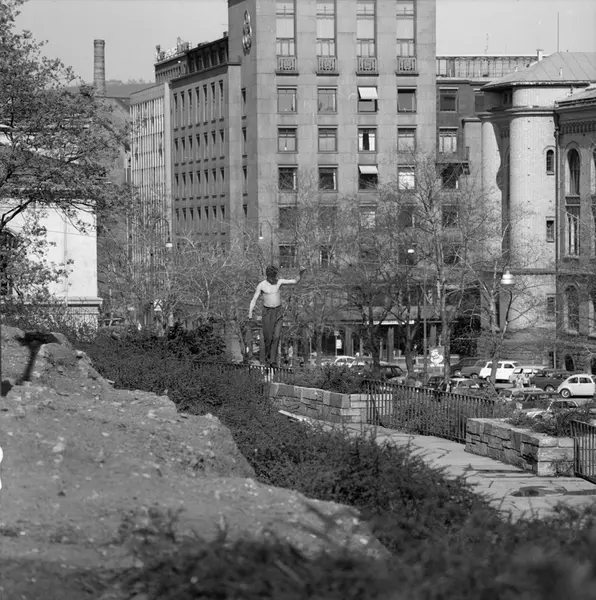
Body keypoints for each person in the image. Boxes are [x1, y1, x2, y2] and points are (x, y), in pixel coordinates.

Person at [248, 265, 305, 367]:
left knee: (277, 336)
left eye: (274, 277)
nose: (273, 279)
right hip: (267, 313)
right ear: (268, 276)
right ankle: (267, 359)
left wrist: (301, 273)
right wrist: (250, 313)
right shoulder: (261, 285)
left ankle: (273, 361)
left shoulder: (279, 282)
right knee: (268, 337)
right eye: (272, 277)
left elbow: (295, 281)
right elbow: (254, 299)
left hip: (278, 312)